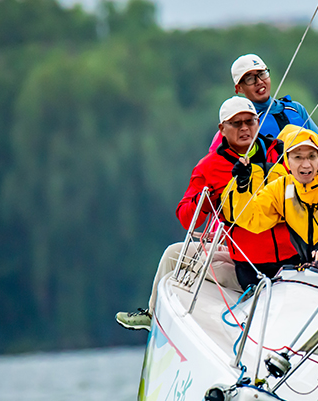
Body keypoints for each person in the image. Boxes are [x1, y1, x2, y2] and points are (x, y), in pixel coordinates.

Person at [117, 96, 298, 331]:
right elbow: (186, 217)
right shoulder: (209, 167)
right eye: (236, 123)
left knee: (198, 265)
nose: (245, 128)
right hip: (244, 258)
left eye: (250, 121)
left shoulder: (281, 154)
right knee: (173, 255)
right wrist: (206, 199)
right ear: (222, 129)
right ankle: (153, 316)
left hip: (285, 258)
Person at [223, 128, 318, 289]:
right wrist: (242, 187)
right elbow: (252, 220)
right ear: (287, 160)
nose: (306, 164)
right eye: (298, 157)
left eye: (312, 156)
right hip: (313, 281)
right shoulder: (280, 188)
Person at [209, 54, 318, 151]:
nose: (259, 82)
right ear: (239, 88)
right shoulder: (241, 123)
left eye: (262, 74)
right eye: (250, 79)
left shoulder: (295, 108)